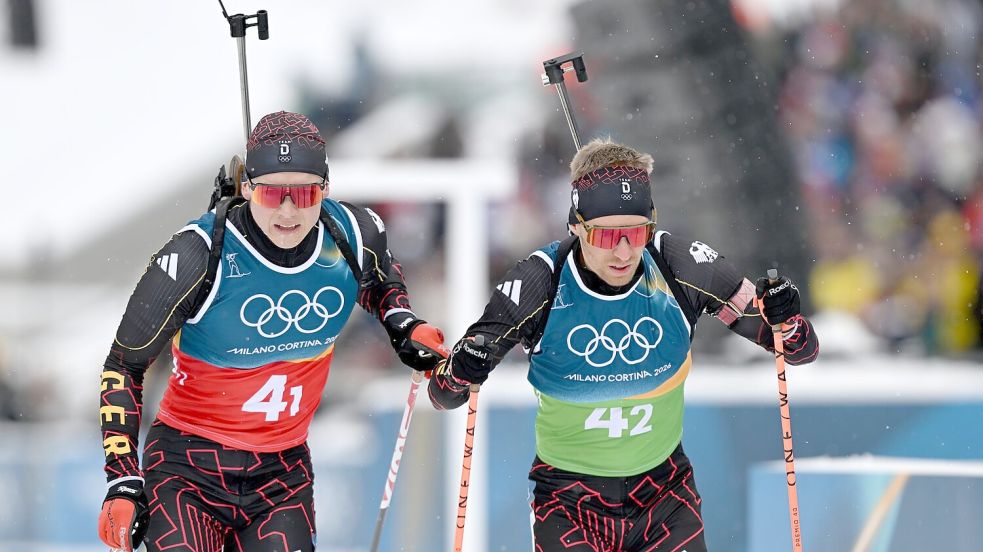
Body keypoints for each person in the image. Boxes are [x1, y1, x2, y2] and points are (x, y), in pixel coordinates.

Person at [429, 137, 819, 551]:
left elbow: (796, 349)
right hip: (569, 501)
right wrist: (461, 369)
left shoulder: (678, 263)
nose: (623, 251)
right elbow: (444, 394)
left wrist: (786, 318)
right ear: (576, 225)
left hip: (664, 496)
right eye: (606, 235)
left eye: (636, 232)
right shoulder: (539, 281)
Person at [98, 111, 448, 552]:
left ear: (325, 188)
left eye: (303, 192)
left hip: (281, 475)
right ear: (246, 188)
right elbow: (123, 366)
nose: (288, 210)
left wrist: (405, 324)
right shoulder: (198, 254)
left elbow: (383, 286)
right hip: (187, 469)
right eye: (270, 193)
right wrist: (124, 479)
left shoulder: (354, 236)